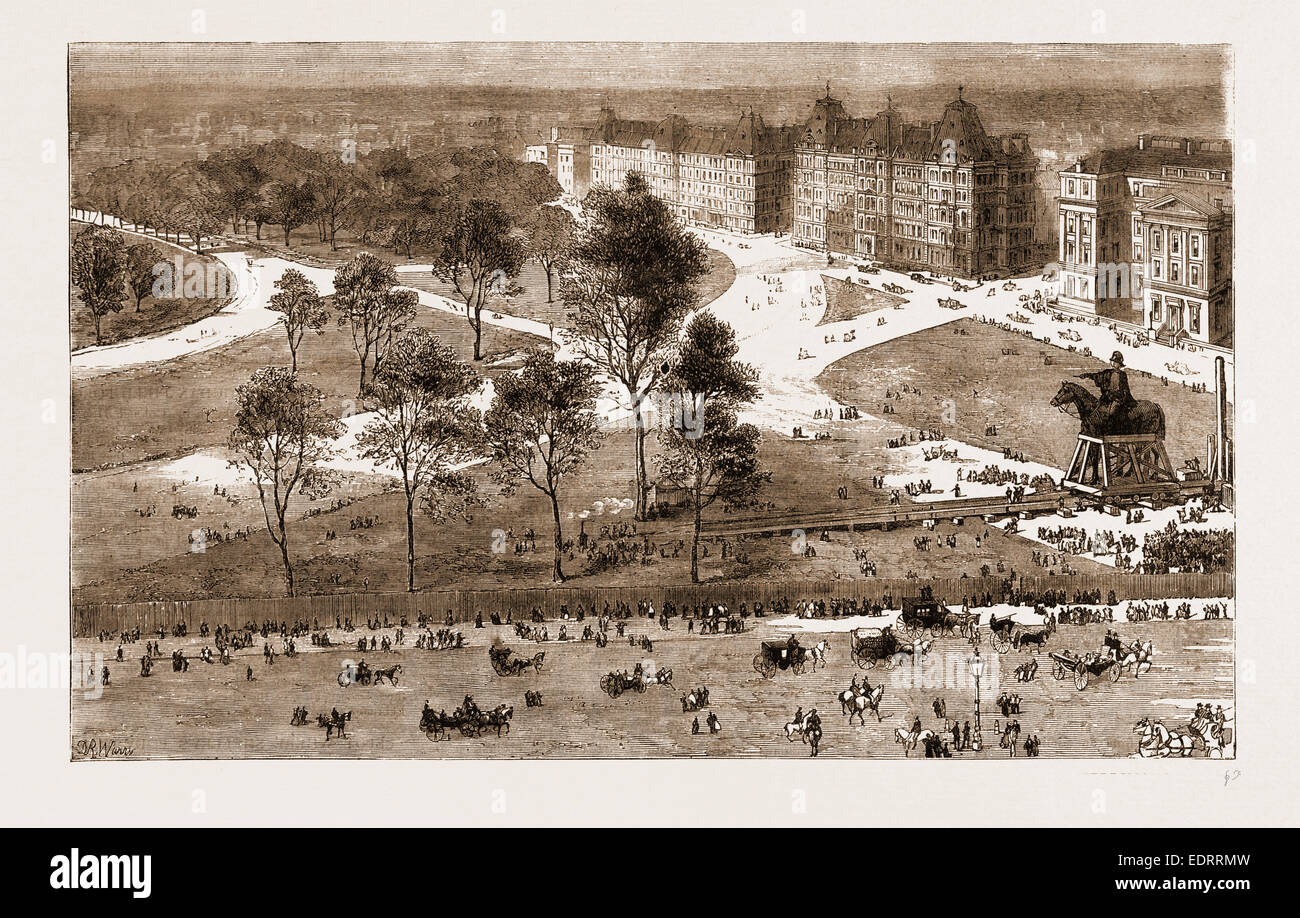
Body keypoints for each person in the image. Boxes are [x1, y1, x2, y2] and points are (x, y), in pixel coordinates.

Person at [1077, 351, 1133, 434]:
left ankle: (1111, 431)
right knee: (1097, 411)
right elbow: (1096, 375)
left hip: (1117, 399)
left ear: (1120, 364)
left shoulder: (1122, 375)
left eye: (1116, 362)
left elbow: (1125, 389)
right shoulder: (1107, 372)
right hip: (1107, 398)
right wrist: (1086, 375)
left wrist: (1120, 397)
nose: (1113, 364)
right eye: (1113, 361)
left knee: (1111, 413)